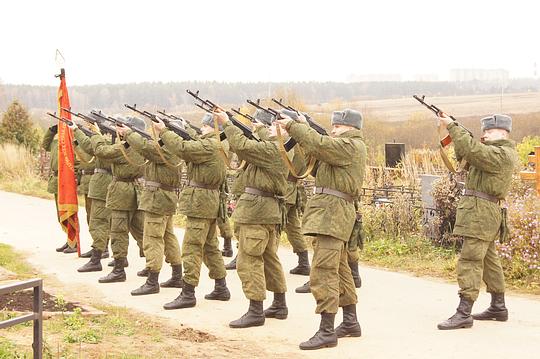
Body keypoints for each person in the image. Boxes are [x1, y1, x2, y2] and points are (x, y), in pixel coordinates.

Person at [277, 109, 366, 350]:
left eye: (337, 126)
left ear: (351, 128)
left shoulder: (351, 146)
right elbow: (317, 151)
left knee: (323, 271)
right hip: (329, 213)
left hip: (334, 214)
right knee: (339, 268)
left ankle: (326, 330)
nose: (333, 129)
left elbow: (319, 143)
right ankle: (350, 321)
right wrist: (303, 129)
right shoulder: (341, 147)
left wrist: (295, 127)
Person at [437, 114, 518, 330]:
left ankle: (464, 312)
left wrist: (453, 127)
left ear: (503, 132)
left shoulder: (502, 153)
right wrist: (456, 134)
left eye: (489, 132)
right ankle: (498, 307)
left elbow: (475, 151)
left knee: (470, 260)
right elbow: (466, 155)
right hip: (481, 212)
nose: (484, 135)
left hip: (482, 213)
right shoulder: (492, 151)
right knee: (489, 260)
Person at [214, 109, 288, 329]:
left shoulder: (275, 148)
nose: (256, 127)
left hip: (257, 211)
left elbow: (243, 147)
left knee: (249, 260)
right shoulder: (277, 147)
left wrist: (228, 124)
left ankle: (255, 310)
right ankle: (279, 304)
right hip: (264, 210)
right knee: (268, 258)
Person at [153, 113, 230, 309]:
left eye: (204, 127)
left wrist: (164, 131)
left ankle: (188, 292)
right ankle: (221, 286)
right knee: (209, 246)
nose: (201, 130)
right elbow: (190, 143)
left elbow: (183, 148)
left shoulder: (210, 145)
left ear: (211, 127)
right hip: (207, 201)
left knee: (191, 247)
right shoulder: (217, 144)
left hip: (201, 202)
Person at [75, 116, 147, 283]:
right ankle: (153, 266)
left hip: (122, 190)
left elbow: (101, 151)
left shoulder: (125, 147)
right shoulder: (143, 146)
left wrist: (96, 133)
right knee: (140, 230)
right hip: (135, 190)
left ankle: (119, 269)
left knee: (118, 231)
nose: (120, 130)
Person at [116, 122, 183, 296]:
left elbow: (145, 148)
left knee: (152, 238)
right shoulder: (172, 148)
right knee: (168, 237)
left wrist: (130, 134)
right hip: (164, 197)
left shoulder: (167, 149)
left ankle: (152, 281)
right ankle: (177, 274)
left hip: (157, 198)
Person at [72, 121, 114, 272]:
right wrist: (78, 131)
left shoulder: (107, 142)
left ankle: (98, 257)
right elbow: (90, 146)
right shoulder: (105, 141)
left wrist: (78, 131)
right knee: (98, 221)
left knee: (99, 222)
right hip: (102, 185)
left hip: (103, 185)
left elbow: (93, 148)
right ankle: (106, 254)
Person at [42, 124, 77, 253]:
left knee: (68, 212)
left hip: (66, 180)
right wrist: (51, 131)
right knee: (60, 214)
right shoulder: (56, 142)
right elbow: (45, 145)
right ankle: (69, 240)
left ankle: (74, 242)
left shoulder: (72, 142)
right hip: (57, 180)